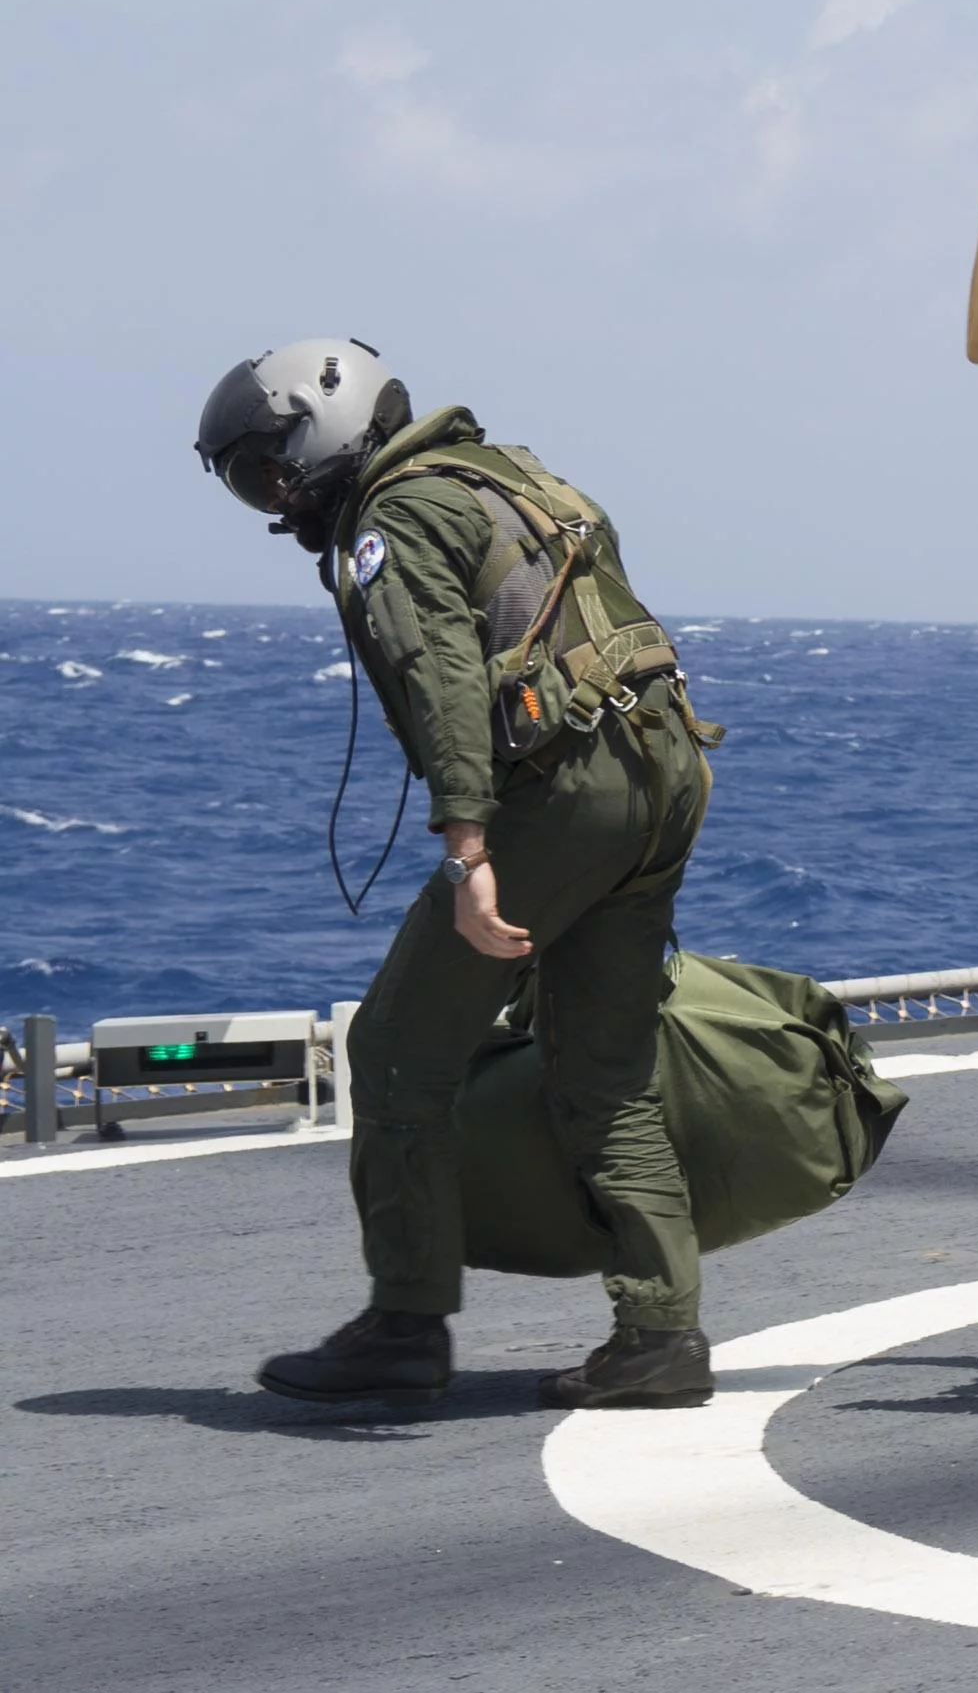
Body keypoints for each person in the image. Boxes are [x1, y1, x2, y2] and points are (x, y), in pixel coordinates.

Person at [196, 339, 722, 1410]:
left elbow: (443, 677)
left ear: (323, 426)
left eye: (269, 466)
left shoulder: (392, 518)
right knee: (604, 1072)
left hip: (563, 797)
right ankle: (661, 1333)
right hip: (663, 770)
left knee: (393, 1048)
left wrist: (469, 850)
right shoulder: (509, 473)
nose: (274, 497)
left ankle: (404, 1321)